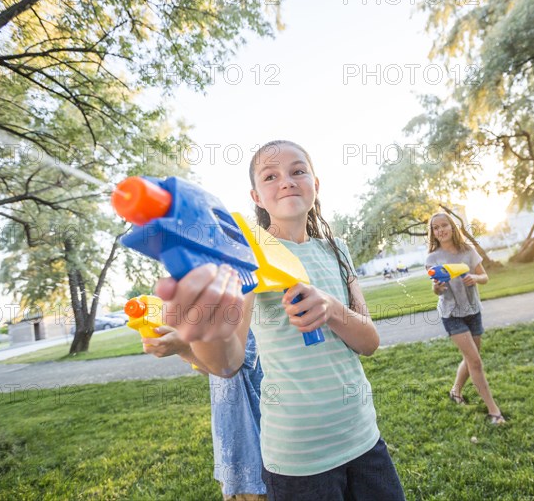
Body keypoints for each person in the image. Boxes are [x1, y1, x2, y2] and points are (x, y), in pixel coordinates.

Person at [155, 140, 405, 500]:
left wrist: (332, 309)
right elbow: (227, 362)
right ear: (256, 196)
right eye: (270, 176)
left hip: (364, 438)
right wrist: (202, 336)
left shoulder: (337, 249)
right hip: (298, 459)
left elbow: (369, 342)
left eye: (298, 171)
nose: (286, 181)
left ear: (315, 185)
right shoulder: (248, 256)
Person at [143, 326, 267, 500]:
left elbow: (232, 365)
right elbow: (211, 369)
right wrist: (183, 345)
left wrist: (186, 347)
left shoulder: (242, 305)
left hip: (254, 455)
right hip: (230, 452)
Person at [425, 212, 505, 425]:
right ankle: (494, 411)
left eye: (444, 225)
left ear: (452, 227)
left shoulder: (468, 251)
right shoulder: (432, 259)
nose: (440, 230)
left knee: (471, 358)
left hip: (473, 310)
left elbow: (484, 277)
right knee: (475, 362)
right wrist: (437, 287)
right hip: (452, 314)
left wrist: (475, 278)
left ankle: (456, 392)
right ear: (433, 233)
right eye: (436, 228)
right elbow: (437, 292)